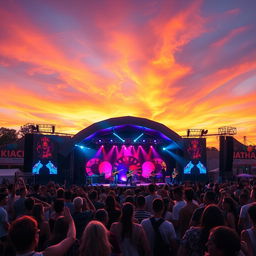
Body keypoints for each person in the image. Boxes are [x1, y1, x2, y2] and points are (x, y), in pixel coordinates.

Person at [8, 207, 76, 256]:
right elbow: (71, 238)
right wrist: (70, 221)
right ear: (35, 238)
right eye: (37, 231)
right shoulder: (47, 254)